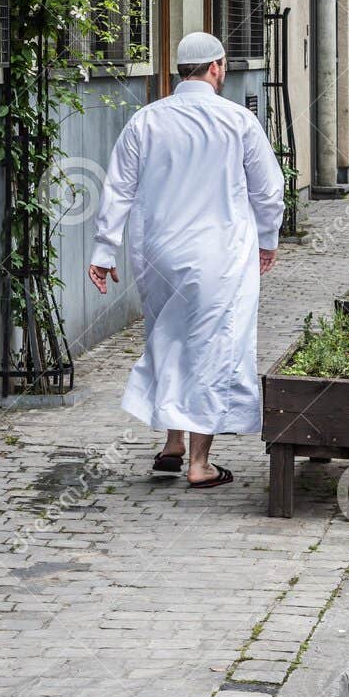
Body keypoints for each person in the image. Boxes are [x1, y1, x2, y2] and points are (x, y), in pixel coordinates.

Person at [88, 32, 285, 488]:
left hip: (157, 252)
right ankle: (200, 464)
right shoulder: (238, 121)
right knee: (216, 346)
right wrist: (268, 238)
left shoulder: (145, 121)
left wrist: (104, 250)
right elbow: (268, 190)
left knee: (168, 336)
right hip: (220, 255)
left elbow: (118, 188)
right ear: (216, 68)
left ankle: (173, 442)